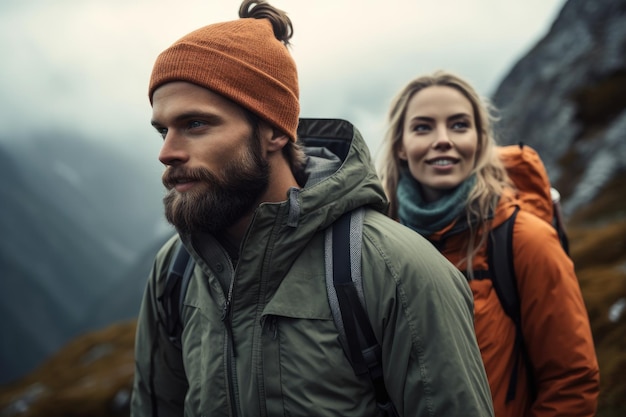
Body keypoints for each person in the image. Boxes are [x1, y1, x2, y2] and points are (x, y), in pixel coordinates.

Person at [131, 2, 495, 416]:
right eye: (163, 130)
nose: (167, 152)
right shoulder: (175, 271)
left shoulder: (395, 271)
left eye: (195, 124)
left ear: (273, 131)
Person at [377, 70, 600, 417]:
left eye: (459, 125)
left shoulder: (526, 240)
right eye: (423, 127)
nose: (443, 139)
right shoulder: (377, 245)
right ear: (401, 147)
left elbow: (571, 382)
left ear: (481, 141)